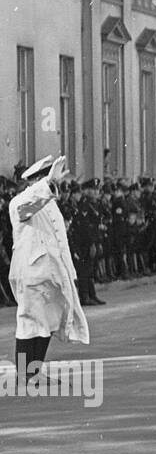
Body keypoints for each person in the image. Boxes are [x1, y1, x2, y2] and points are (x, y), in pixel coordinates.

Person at [8, 155, 90, 380]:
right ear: (33, 182)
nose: (52, 183)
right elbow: (27, 206)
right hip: (31, 273)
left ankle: (35, 370)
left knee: (48, 322)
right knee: (29, 322)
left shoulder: (50, 205)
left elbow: (60, 241)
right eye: (45, 179)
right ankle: (26, 374)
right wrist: (47, 185)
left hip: (51, 273)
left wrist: (68, 272)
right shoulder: (19, 203)